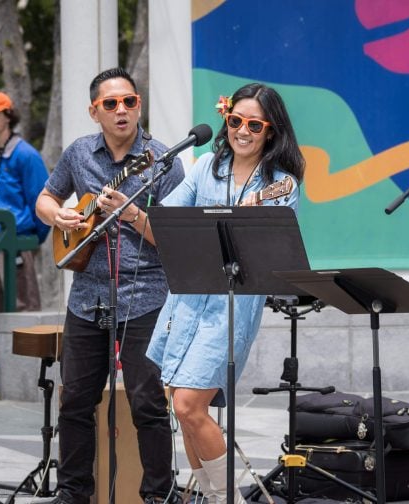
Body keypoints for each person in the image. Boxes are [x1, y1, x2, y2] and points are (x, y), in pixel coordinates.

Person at [145, 82, 304, 504]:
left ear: (271, 131)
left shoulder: (281, 184)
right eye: (236, 121)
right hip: (186, 299)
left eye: (255, 124)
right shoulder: (204, 168)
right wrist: (128, 212)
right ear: (226, 120)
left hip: (230, 306)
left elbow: (269, 253)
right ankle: (211, 497)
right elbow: (165, 224)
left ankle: (224, 498)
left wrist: (248, 216)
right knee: (179, 404)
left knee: (188, 405)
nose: (243, 131)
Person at [35, 67, 185, 504]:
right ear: (94, 111)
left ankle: (158, 495)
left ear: (139, 105)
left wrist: (133, 214)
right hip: (86, 296)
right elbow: (46, 196)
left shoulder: (162, 161)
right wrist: (57, 216)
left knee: (147, 405)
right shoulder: (79, 153)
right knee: (75, 402)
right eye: (110, 104)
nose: (121, 110)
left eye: (129, 102)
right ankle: (73, 493)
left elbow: (175, 239)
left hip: (146, 297)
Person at [0, 90, 50, 314]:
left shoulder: (26, 154)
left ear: (8, 116)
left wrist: (31, 241)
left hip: (15, 241)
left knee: (21, 306)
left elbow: (43, 201)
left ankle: (21, 351)